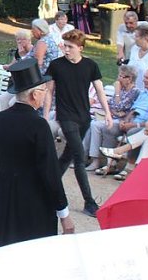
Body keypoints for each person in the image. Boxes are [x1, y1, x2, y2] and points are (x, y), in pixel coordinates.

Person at [0, 58, 74, 249]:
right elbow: (50, 171)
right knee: (32, 253)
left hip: (4, 195)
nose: (45, 95)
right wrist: (64, 213)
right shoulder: (38, 125)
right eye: (43, 91)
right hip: (34, 201)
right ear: (34, 95)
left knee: (4, 250)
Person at [44, 30, 110, 217]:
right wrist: (46, 115)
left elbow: (99, 91)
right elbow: (49, 92)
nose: (66, 50)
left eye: (70, 47)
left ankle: (45, 186)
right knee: (79, 157)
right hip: (65, 117)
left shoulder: (91, 65)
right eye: (65, 46)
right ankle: (89, 202)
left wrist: (107, 113)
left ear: (80, 48)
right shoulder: (56, 65)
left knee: (67, 156)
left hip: (84, 118)